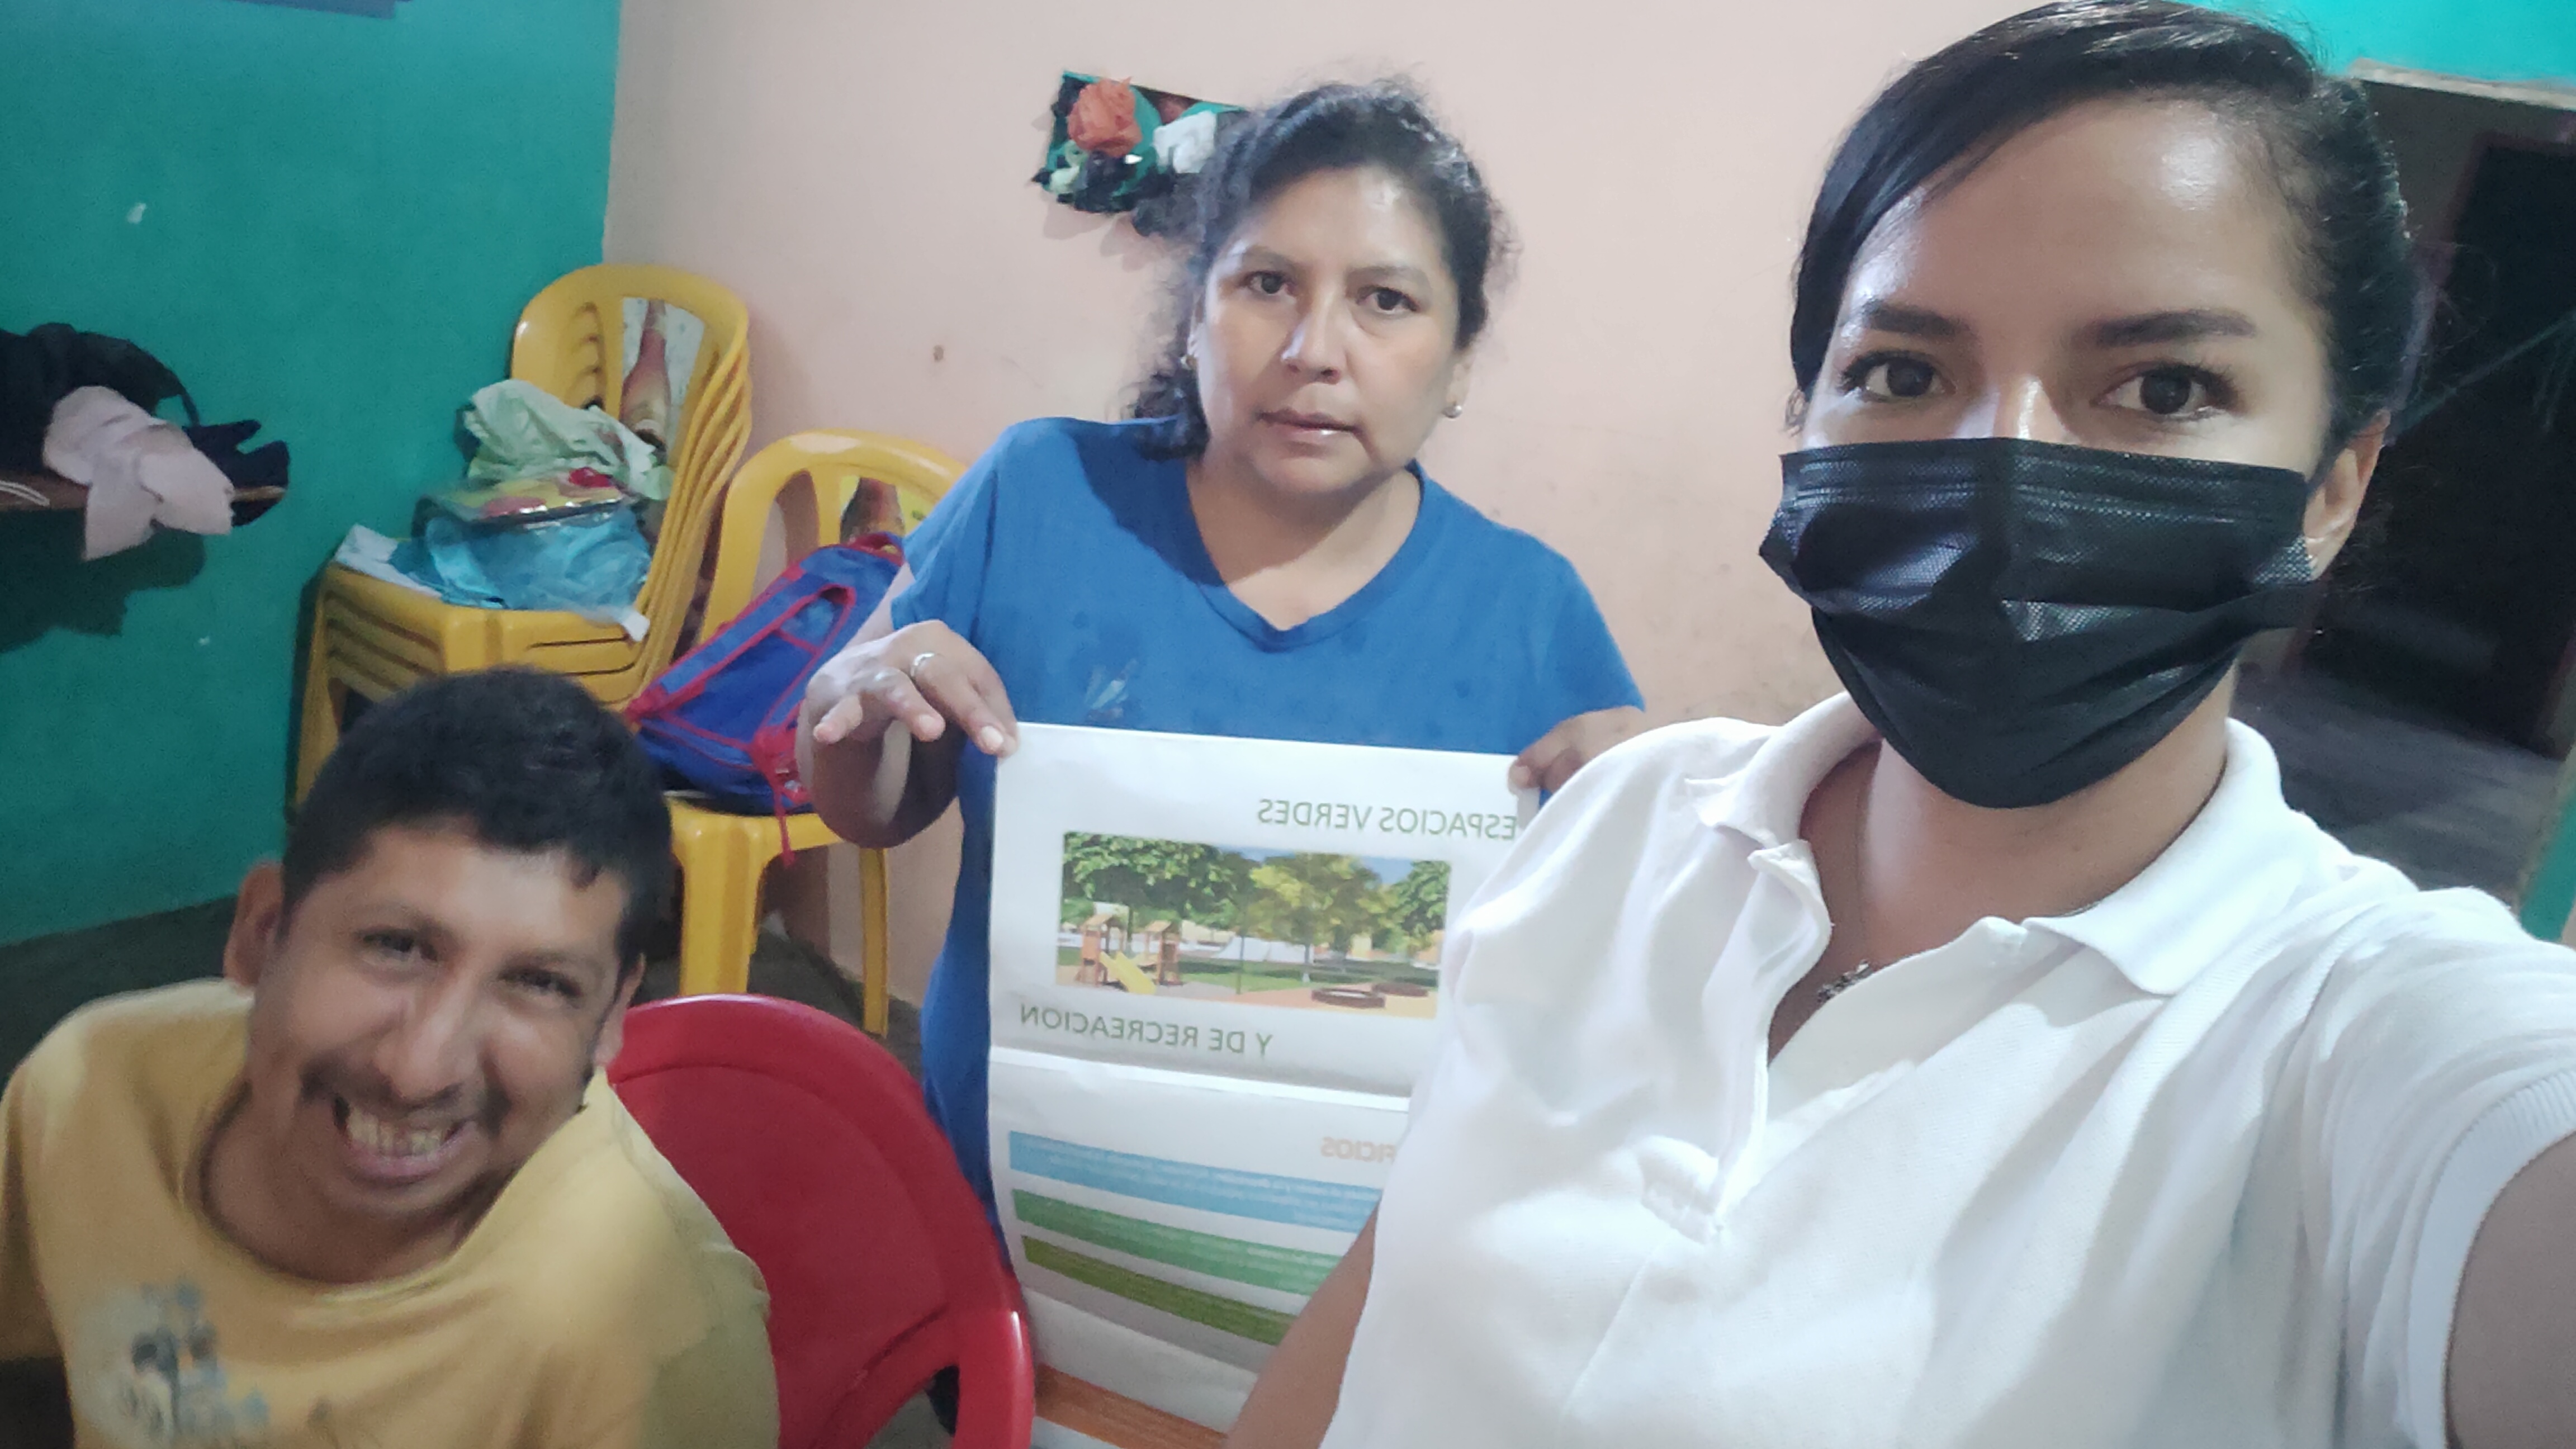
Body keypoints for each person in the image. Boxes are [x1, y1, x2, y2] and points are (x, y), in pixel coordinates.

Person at [1225, 6, 2576, 1448]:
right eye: (1905, 373)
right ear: (1805, 417)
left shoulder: (2364, 1055)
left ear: (2333, 485)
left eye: (2165, 388)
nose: (2007, 471)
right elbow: (1381, 1301)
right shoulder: (1623, 820)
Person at [798, 80, 1645, 1214]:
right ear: (1195, 312)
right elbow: (873, 810)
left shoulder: (1529, 615)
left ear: (1459, 363)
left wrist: (1658, 826)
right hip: (1009, 1220)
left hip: (1349, 1256)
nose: (1313, 348)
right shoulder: (1039, 496)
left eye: (1386, 301)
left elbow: (1590, 991)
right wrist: (852, 702)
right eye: (1267, 284)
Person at [0, 669, 776, 1447]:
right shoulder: (87, 1097)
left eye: (540, 983)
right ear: (265, 933)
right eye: (395, 946)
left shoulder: (645, 1343)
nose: (418, 1071)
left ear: (610, 1018)